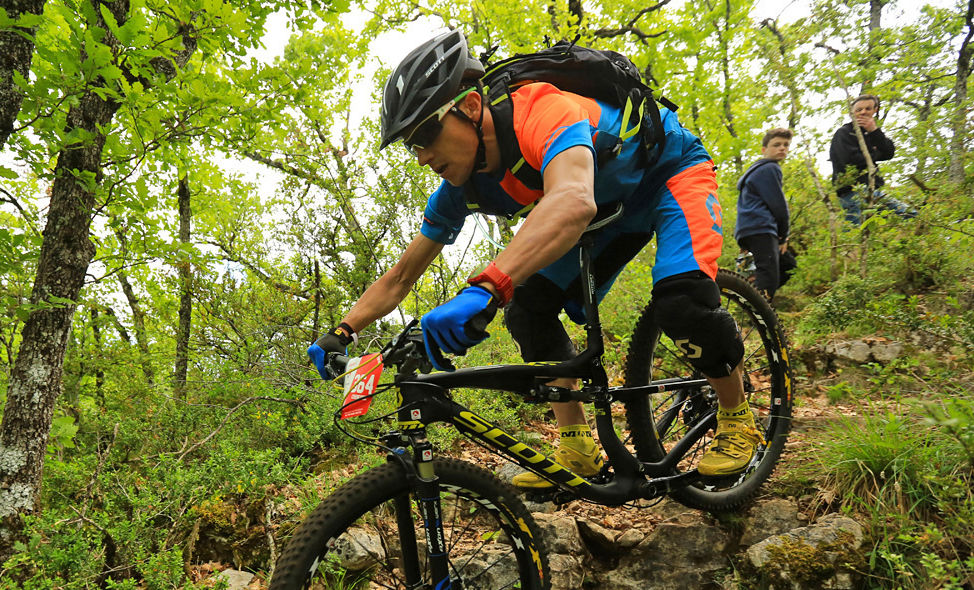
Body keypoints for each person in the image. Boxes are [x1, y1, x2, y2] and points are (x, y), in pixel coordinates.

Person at [308, 30, 761, 483]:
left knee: (681, 301)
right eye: (412, 144)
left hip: (667, 175)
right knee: (528, 310)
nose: (423, 155)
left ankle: (737, 415)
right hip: (603, 210)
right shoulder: (459, 188)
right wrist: (342, 332)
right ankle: (578, 447)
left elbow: (571, 199)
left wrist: (487, 287)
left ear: (469, 107)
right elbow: (402, 275)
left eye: (427, 132)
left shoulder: (541, 110)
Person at [829, 94, 915, 225]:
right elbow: (851, 160)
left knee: (910, 215)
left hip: (874, 191)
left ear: (875, 111)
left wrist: (874, 131)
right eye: (859, 110)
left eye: (868, 109)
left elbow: (889, 152)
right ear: (852, 113)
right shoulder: (844, 133)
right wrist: (875, 152)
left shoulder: (872, 134)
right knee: (856, 233)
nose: (863, 112)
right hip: (852, 192)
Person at [735, 128, 795, 299]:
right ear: (764, 150)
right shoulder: (769, 168)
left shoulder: (755, 172)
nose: (782, 148)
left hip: (749, 230)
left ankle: (754, 291)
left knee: (788, 265)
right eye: (776, 145)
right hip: (761, 229)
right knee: (769, 277)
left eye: (786, 145)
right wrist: (783, 236)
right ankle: (756, 313)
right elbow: (778, 205)